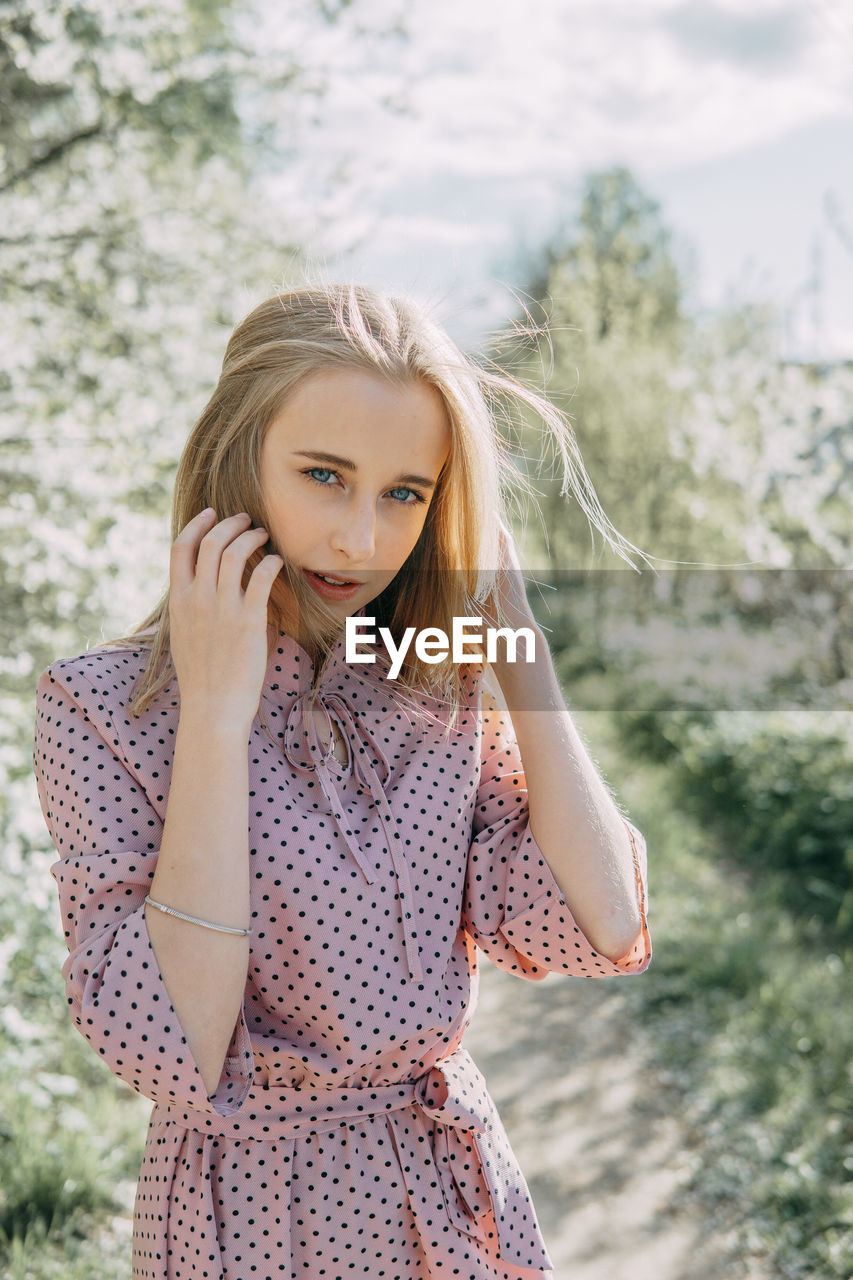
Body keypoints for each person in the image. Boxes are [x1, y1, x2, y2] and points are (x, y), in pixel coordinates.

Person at [32, 283, 652, 1280]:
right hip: (244, 1222)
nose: (362, 537)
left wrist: (520, 648)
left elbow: (605, 921)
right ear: (239, 455)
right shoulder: (104, 709)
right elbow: (172, 1041)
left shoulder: (437, 685)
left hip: (445, 1203)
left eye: (406, 492)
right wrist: (219, 714)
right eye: (324, 475)